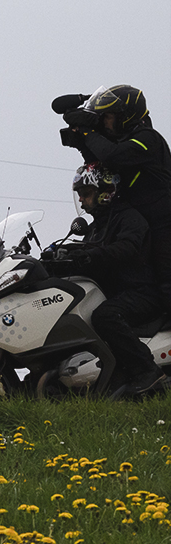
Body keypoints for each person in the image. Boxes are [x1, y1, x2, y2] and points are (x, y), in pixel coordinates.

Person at [42, 164, 168, 398]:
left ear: (104, 192)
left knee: (105, 316)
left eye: (85, 194)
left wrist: (91, 255)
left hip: (141, 292)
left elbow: (126, 248)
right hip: (115, 292)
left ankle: (148, 371)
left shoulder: (129, 218)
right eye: (79, 195)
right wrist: (58, 258)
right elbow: (89, 249)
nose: (81, 201)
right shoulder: (96, 227)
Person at [55, 85, 171, 313]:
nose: (104, 122)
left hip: (164, 223)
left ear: (126, 117)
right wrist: (82, 131)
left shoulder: (148, 139)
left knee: (166, 283)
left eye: (107, 116)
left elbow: (112, 155)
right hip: (141, 219)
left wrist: (88, 132)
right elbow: (102, 165)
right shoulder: (121, 142)